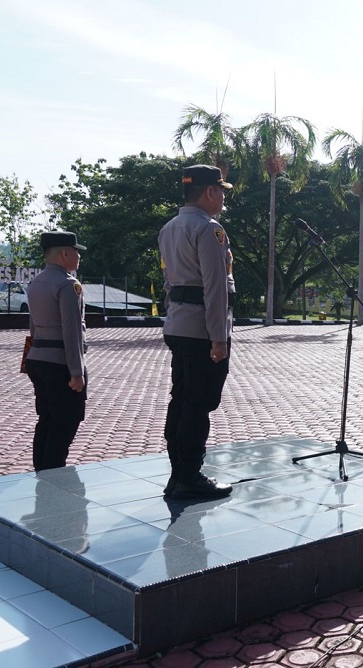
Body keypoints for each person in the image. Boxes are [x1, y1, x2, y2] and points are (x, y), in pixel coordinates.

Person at [158, 165, 236, 500]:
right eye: (221, 191)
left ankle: (178, 473)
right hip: (203, 330)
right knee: (198, 403)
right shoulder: (210, 229)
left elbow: (168, 283)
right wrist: (218, 338)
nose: (222, 197)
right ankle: (189, 476)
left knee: (182, 399)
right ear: (209, 192)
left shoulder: (169, 227)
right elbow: (216, 288)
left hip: (178, 324)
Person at [24, 230, 88, 471]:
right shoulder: (68, 284)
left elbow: (32, 326)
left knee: (47, 419)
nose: (79, 257)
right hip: (61, 362)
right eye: (76, 252)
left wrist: (29, 358)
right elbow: (71, 331)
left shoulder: (35, 282)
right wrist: (76, 372)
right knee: (65, 422)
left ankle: (41, 471)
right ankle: (53, 476)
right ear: (64, 253)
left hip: (37, 358)